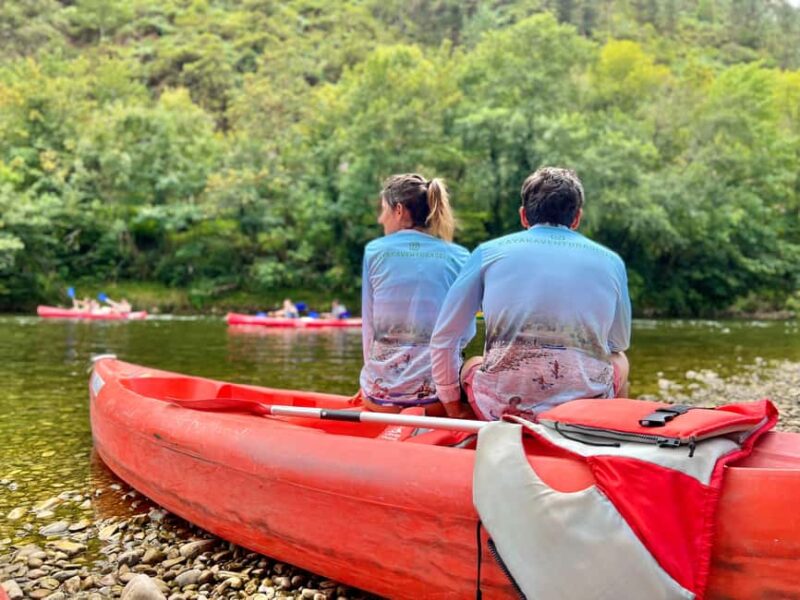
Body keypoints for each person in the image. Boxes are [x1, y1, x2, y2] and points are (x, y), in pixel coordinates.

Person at [430, 167, 631, 420]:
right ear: (577, 218)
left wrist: (452, 407)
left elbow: (445, 337)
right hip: (582, 411)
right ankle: (615, 431)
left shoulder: (487, 253)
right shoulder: (611, 262)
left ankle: (470, 432)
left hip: (500, 409)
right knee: (620, 359)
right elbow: (618, 342)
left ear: (524, 216)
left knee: (472, 363)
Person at [360, 173, 472, 415]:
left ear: (398, 210)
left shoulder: (374, 251)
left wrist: (368, 383)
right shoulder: (461, 256)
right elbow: (465, 333)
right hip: (436, 402)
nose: (381, 219)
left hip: (379, 398)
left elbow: (369, 329)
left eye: (383, 210)